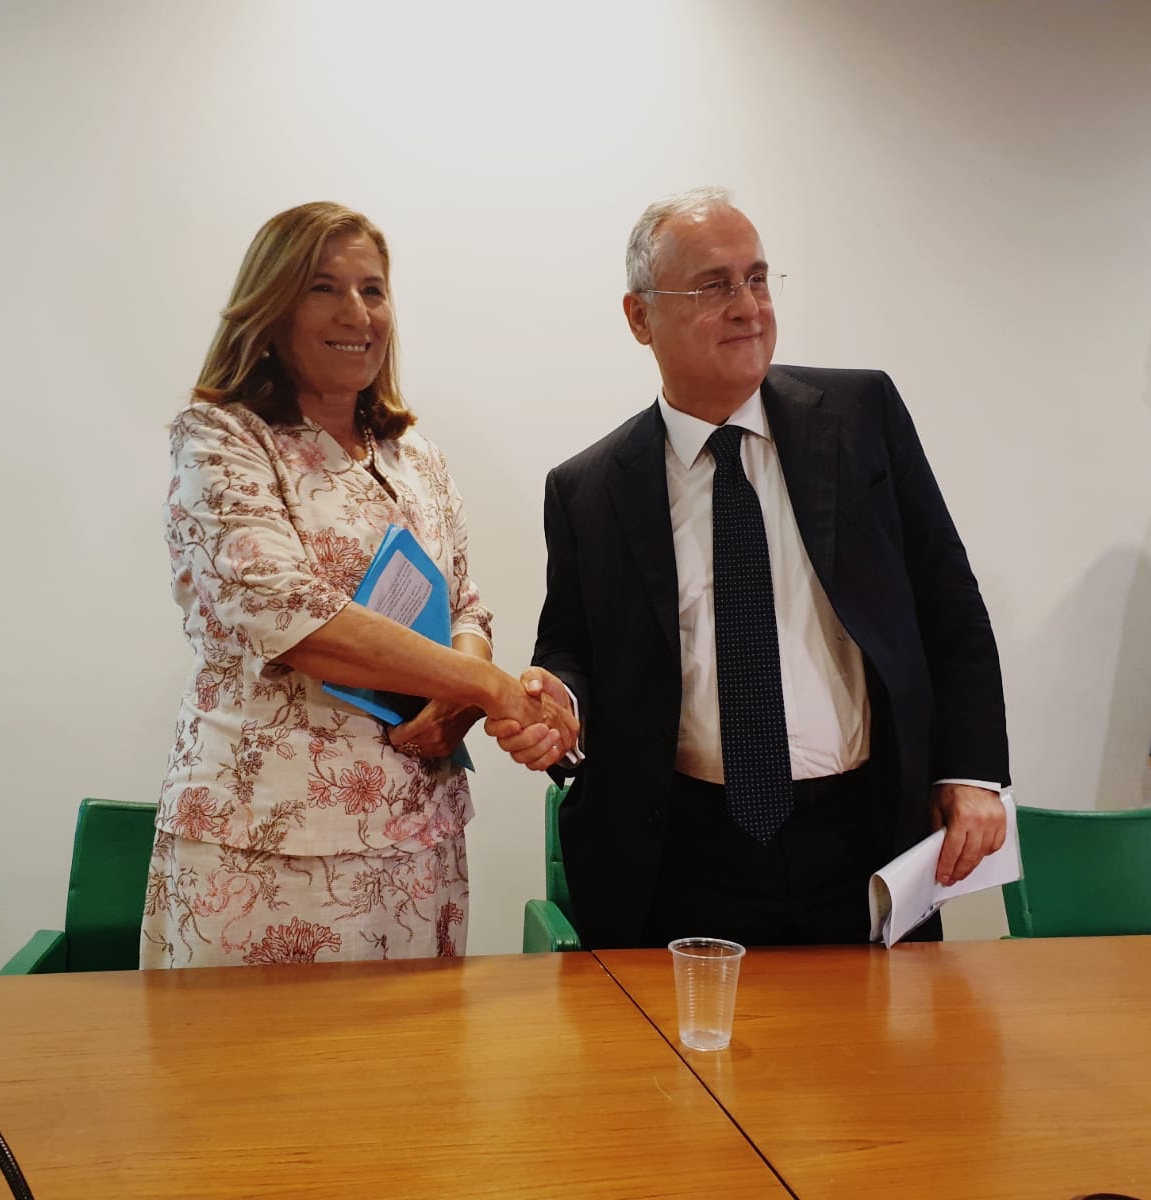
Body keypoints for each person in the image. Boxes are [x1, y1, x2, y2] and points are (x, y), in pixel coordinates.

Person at [488, 186, 1009, 950]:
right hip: (680, 851)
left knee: (875, 1033)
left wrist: (970, 772)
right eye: (712, 286)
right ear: (639, 317)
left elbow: (946, 598)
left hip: (865, 835)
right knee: (688, 1033)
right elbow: (572, 647)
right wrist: (556, 702)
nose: (747, 307)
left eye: (756, 279)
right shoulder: (588, 488)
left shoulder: (860, 416)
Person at [142, 201, 573, 968]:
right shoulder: (222, 438)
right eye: (324, 288)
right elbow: (287, 613)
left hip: (421, 838)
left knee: (414, 1049)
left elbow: (465, 604)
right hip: (269, 845)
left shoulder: (415, 456)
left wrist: (459, 700)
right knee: (260, 1052)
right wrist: (487, 687)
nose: (357, 312)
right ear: (270, 308)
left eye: (372, 290)